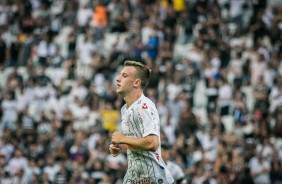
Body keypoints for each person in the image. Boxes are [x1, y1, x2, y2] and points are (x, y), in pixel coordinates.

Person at [109, 60, 174, 183]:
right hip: (135, 178)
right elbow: (138, 142)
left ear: (136, 83)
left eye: (124, 76)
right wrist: (121, 147)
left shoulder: (144, 106)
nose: (117, 79)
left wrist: (122, 139)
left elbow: (152, 143)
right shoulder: (125, 109)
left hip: (153, 179)